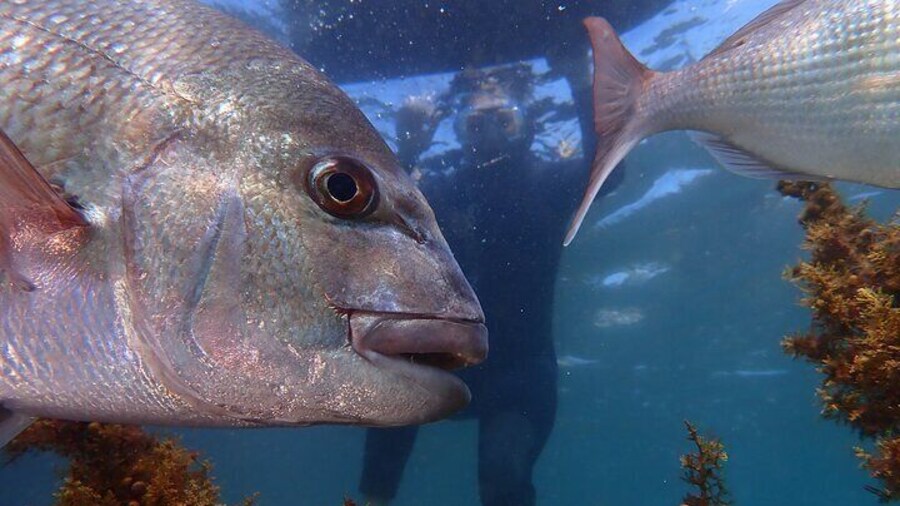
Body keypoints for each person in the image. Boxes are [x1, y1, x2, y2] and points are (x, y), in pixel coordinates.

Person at [359, 63, 597, 506]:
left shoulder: (547, 183)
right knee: (381, 456)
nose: (488, 133)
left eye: (502, 120)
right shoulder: (444, 191)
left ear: (525, 125)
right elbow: (377, 217)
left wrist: (580, 80)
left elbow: (611, 172)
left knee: (503, 477)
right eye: (474, 123)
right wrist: (407, 149)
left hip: (521, 377)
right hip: (442, 360)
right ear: (458, 130)